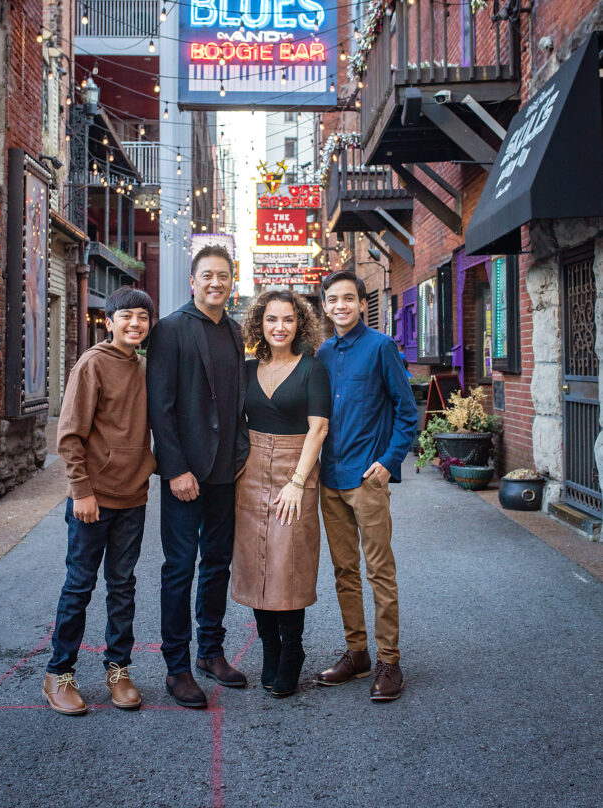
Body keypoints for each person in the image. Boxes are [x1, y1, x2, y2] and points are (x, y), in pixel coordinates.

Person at [43, 286, 156, 716]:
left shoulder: (146, 368)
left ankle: (118, 668)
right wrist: (81, 491)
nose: (134, 324)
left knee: (123, 586)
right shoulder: (92, 364)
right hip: (93, 499)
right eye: (125, 316)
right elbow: (69, 436)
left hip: (134, 497)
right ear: (109, 322)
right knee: (79, 586)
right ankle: (59, 671)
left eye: (142, 318)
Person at [147, 245, 250, 709]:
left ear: (232, 282)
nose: (215, 283)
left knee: (217, 564)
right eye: (207, 275)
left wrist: (241, 452)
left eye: (223, 276)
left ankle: (211, 652)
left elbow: (235, 402)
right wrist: (175, 469)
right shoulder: (170, 330)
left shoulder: (233, 330)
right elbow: (160, 408)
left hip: (226, 471)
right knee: (179, 568)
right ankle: (177, 667)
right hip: (186, 475)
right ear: (194, 281)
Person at [316, 270, 418, 702]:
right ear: (325, 306)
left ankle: (389, 661)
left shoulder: (381, 347)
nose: (340, 305)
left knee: (380, 571)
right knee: (344, 571)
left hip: (367, 479)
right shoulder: (321, 354)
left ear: (361, 303)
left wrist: (388, 462)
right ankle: (356, 653)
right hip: (330, 480)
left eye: (348, 299)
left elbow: (407, 411)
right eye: (333, 299)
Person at [232, 290, 331, 697]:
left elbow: (318, 428)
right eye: (271, 319)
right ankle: (269, 647)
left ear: (299, 325)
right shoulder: (247, 368)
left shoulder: (312, 369)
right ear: (260, 324)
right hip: (251, 471)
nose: (279, 327)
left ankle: (293, 649)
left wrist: (297, 481)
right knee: (256, 562)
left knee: (288, 562)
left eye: (288, 320)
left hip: (296, 470)